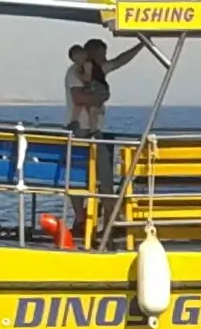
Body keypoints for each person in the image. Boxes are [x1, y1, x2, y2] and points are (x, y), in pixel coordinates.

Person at [65, 36, 153, 228]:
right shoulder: (76, 71)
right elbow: (78, 97)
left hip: (95, 132)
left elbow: (119, 61)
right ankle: (84, 220)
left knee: (103, 179)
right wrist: (99, 96)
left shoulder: (98, 70)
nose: (105, 58)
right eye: (101, 55)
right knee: (81, 177)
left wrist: (142, 44)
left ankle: (106, 221)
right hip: (82, 130)